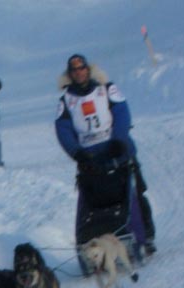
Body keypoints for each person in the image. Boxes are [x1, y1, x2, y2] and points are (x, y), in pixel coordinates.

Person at [55, 53, 156, 253]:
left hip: (117, 150)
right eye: (74, 70)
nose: (79, 72)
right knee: (94, 201)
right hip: (89, 157)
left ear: (88, 69)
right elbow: (63, 129)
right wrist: (77, 153)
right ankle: (95, 241)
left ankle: (146, 235)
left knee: (134, 192)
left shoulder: (107, 89)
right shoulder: (66, 100)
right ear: (70, 74)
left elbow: (122, 113)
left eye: (81, 68)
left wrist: (119, 139)